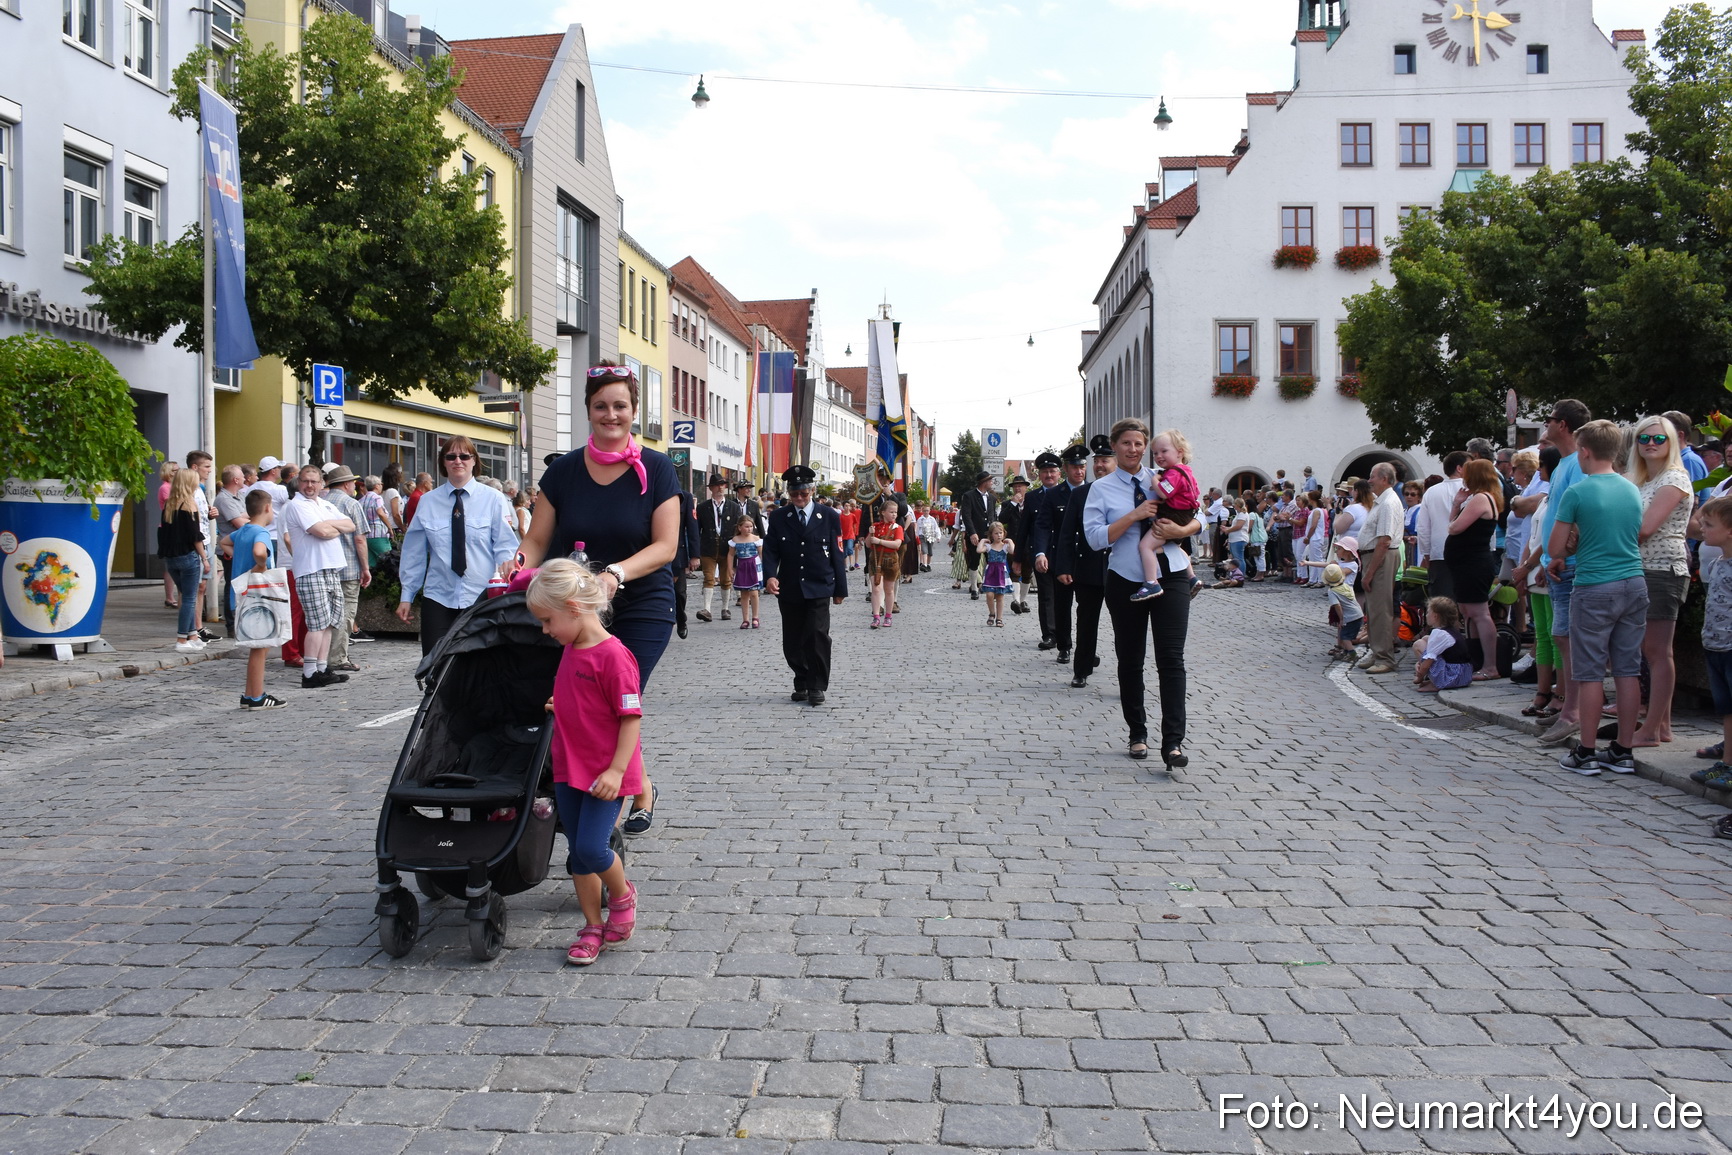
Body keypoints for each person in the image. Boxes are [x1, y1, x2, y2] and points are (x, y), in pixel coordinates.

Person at [517, 362, 680, 837]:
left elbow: (665, 547)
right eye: (601, 406)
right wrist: (515, 565)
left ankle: (626, 792)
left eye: (620, 406)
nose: (611, 415)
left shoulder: (657, 468)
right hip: (577, 608)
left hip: (642, 600)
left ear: (634, 411)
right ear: (588, 410)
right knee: (588, 702)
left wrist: (615, 573)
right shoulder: (565, 471)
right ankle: (627, 785)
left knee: (618, 700)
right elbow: (537, 541)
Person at [526, 560, 642, 968]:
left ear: (574, 608)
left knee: (593, 848)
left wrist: (616, 771)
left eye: (547, 620)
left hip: (605, 773)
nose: (545, 630)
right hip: (569, 769)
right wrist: (563, 705)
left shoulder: (614, 656)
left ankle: (623, 895)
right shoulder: (571, 648)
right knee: (577, 854)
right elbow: (583, 698)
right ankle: (593, 926)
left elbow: (630, 717)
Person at [1084, 418, 1199, 767]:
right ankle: (1137, 733)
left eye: (1139, 444)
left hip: (1172, 575)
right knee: (1131, 660)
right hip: (1125, 577)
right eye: (1126, 444)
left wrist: (1184, 527)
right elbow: (1095, 539)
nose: (1133, 450)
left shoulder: (1165, 475)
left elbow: (1201, 518)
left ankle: (1173, 744)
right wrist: (1134, 515)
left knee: (1171, 658)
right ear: (1115, 447)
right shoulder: (1101, 489)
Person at [1548, 419, 1647, 776]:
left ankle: (1586, 751)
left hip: (1594, 585)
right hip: (1633, 581)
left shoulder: (1579, 491)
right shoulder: (1631, 488)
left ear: (1584, 451)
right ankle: (1623, 750)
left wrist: (1572, 539)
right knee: (1627, 669)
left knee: (1589, 672)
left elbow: (1555, 547)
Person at [397, 436, 518, 656]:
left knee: (480, 667)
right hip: (439, 596)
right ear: (443, 462)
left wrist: (505, 588)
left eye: (464, 456)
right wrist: (407, 595)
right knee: (435, 667)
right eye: (451, 456)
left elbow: (505, 547)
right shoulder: (428, 502)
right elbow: (414, 553)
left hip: (481, 597)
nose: (458, 461)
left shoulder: (493, 499)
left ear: (474, 461)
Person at [1520, 399, 1593, 747]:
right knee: (1560, 636)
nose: (1544, 426)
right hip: (1555, 561)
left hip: (1569, 564)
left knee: (1568, 638)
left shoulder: (1578, 462)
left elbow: (1579, 514)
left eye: (1548, 420)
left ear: (1562, 425)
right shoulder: (1565, 462)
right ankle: (1566, 705)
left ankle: (1572, 711)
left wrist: (1563, 553)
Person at [1629, 415, 1692, 747]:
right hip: (1642, 568)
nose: (1651, 444)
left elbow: (1645, 528)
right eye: (1644, 439)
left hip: (1663, 569)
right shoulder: (1642, 480)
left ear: (1672, 442)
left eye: (1658, 439)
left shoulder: (1674, 477)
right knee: (1649, 650)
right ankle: (1661, 725)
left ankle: (1653, 728)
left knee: (1657, 650)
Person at [762, 465, 848, 706]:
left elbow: (837, 552)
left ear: (812, 491)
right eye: (795, 494)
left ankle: (816, 685)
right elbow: (771, 549)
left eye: (804, 494)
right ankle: (801, 678)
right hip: (789, 587)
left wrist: (840, 589)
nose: (799, 498)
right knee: (793, 638)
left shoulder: (829, 515)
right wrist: (770, 575)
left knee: (817, 635)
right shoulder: (779, 517)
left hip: (819, 585)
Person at [280, 465, 357, 689]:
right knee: (317, 623)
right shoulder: (297, 505)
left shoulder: (324, 504)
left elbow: (350, 525)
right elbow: (321, 532)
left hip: (331, 568)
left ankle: (322, 668)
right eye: (306, 481)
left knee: (331, 622)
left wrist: (329, 525)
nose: (310, 486)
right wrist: (332, 527)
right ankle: (310, 672)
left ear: (322, 483)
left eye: (314, 481)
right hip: (311, 569)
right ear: (299, 482)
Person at [1054, 435, 1114, 687]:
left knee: (1126, 626)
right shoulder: (1081, 494)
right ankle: (1081, 669)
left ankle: (1130, 675)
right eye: (1097, 460)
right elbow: (1067, 533)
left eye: (1105, 460)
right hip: (1087, 566)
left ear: (1116, 462)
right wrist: (1065, 566)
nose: (1099, 465)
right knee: (1086, 621)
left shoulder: (1126, 491)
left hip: (1118, 568)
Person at [1444, 459, 1504, 680]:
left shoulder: (1481, 498)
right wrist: (1456, 504)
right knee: (1469, 612)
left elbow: (1454, 527)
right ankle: (1476, 659)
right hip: (1466, 563)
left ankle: (1490, 665)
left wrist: (1456, 511)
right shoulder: (1480, 497)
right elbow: (1453, 525)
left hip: (1473, 563)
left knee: (1479, 613)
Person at [1517, 447, 1563, 720]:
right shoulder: (1546, 497)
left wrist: (1530, 564)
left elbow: (1550, 537)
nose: (1539, 471)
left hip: (1546, 567)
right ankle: (1542, 690)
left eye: (1542, 466)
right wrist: (1524, 565)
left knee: (1556, 634)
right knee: (1543, 634)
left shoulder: (1559, 496)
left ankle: (1560, 692)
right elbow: (1534, 533)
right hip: (1535, 570)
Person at [1033, 443, 1090, 663]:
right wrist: (1040, 553)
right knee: (1062, 605)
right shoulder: (1055, 494)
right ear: (1066, 468)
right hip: (1063, 557)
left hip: (1087, 558)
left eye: (1082, 466)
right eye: (1074, 467)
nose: (1079, 471)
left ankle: (1087, 646)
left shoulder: (1093, 490)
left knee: (1086, 608)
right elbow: (1043, 525)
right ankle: (1064, 645)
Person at [228, 490, 285, 709]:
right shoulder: (260, 533)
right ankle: (256, 696)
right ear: (268, 508)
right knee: (261, 648)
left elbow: (224, 542)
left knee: (256, 647)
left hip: (242, 596)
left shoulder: (243, 530)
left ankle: (249, 694)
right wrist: (260, 565)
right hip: (258, 597)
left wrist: (239, 561)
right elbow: (260, 551)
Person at [1129, 430, 1201, 601]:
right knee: (1174, 547)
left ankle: (1151, 583)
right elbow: (1195, 493)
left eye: (1164, 451)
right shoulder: (1187, 471)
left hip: (1173, 515)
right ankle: (1192, 578)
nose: (1159, 456)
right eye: (1155, 453)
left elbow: (1164, 492)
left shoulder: (1174, 473)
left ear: (1180, 452)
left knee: (1145, 546)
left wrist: (1155, 481)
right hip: (1185, 514)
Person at [1690, 497, 1732, 791]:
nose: (1702, 529)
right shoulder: (1718, 563)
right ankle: (1727, 763)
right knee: (1726, 708)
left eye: (1709, 524)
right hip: (1715, 644)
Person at [320, 465, 372, 673]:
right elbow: (359, 539)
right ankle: (338, 657)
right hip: (348, 568)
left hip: (325, 566)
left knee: (326, 614)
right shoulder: (351, 504)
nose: (354, 486)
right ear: (346, 484)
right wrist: (366, 568)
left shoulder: (320, 503)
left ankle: (321, 655)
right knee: (346, 613)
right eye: (352, 482)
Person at [160, 469, 210, 653]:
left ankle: (193, 636)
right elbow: (195, 536)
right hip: (188, 556)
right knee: (189, 599)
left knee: (185, 595)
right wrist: (204, 558)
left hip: (171, 558)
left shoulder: (169, 505)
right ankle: (182, 639)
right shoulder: (189, 505)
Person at [1417, 452, 1468, 600]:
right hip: (1466, 552)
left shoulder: (1431, 492)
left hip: (1439, 551)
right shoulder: (1472, 490)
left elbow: (1423, 528)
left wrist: (1427, 553)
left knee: (1443, 601)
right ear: (1460, 468)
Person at [1023, 455, 1063, 637]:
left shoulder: (1068, 494)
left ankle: (1063, 634)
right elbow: (1025, 528)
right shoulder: (1032, 497)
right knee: (1046, 595)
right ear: (1039, 475)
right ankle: (1049, 634)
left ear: (1059, 473)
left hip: (1063, 553)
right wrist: (1018, 559)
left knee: (1063, 597)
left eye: (1052, 471)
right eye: (1045, 472)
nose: (1049, 475)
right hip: (1041, 553)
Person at [694, 476, 736, 623]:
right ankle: (707, 609)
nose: (720, 488)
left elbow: (737, 531)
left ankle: (725, 608)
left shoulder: (733, 507)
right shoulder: (702, 507)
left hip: (727, 549)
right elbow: (696, 530)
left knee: (725, 580)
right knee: (709, 578)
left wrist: (737, 552)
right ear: (711, 488)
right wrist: (695, 552)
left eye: (722, 485)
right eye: (717, 485)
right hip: (708, 548)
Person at [1414, 597, 1475, 692]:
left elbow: (1428, 661)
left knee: (1418, 644)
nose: (1426, 615)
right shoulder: (1452, 631)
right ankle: (1435, 680)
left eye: (1428, 612)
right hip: (1464, 675)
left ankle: (1436, 683)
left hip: (1452, 677)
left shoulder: (1439, 633)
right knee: (1426, 639)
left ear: (1435, 616)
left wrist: (1419, 675)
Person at [960, 470, 996, 602]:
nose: (992, 483)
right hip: (975, 534)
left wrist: (996, 532)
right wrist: (972, 532)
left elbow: (993, 516)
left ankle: (990, 586)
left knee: (992, 561)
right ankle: (974, 587)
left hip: (990, 535)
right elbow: (966, 516)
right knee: (974, 561)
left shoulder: (992, 497)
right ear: (984, 482)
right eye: (990, 480)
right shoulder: (969, 496)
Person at [867, 500, 904, 628]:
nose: (894, 515)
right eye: (891, 512)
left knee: (889, 589)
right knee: (876, 588)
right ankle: (876, 616)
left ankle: (888, 616)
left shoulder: (897, 528)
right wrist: (870, 534)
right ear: (883, 512)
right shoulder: (875, 526)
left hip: (891, 560)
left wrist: (879, 541)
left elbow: (897, 544)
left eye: (896, 512)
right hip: (876, 560)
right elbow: (868, 544)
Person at [999, 474, 1032, 616]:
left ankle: (1023, 600)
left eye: (1020, 486)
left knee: (1027, 572)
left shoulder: (1032, 501)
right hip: (1013, 542)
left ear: (1025, 487)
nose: (1018, 488)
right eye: (1015, 486)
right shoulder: (1007, 504)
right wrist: (1013, 503)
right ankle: (1016, 601)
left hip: (1030, 542)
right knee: (1014, 570)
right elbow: (1002, 519)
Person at [1322, 556, 1363, 660]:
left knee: (1345, 637)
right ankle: (1345, 652)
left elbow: (1337, 605)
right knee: (1348, 635)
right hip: (1359, 614)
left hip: (1350, 617)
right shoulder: (1346, 586)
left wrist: (1341, 618)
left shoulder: (1332, 591)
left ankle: (1352, 654)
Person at [672, 486, 700, 640]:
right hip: (655, 551)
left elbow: (692, 526)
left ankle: (681, 619)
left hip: (678, 552)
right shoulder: (652, 493)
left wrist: (694, 555)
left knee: (679, 592)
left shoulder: (685, 497)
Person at [728, 515, 763, 630]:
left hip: (753, 565)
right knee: (744, 594)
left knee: (754, 592)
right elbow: (731, 554)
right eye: (746, 526)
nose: (749, 529)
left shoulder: (756, 539)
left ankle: (755, 617)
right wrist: (730, 568)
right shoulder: (735, 540)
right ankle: (745, 619)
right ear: (739, 527)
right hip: (742, 566)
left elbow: (762, 554)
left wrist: (764, 568)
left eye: (751, 526)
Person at [979, 521, 1014, 627]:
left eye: (1001, 533)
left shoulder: (1005, 546)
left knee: (1000, 596)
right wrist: (983, 540)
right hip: (991, 572)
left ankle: (999, 618)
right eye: (996, 533)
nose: (999, 535)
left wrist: (1011, 541)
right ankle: (991, 613)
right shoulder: (989, 547)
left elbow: (1012, 551)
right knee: (989, 594)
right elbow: (979, 550)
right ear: (991, 535)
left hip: (1001, 573)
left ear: (1004, 533)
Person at [915, 503, 940, 573]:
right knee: (924, 550)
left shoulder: (932, 519)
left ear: (929, 511)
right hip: (922, 536)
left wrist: (938, 536)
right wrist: (916, 536)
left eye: (927, 511)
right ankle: (924, 565)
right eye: (924, 511)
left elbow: (936, 528)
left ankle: (928, 564)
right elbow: (917, 529)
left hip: (930, 536)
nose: (926, 512)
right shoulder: (920, 519)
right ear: (922, 511)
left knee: (930, 552)